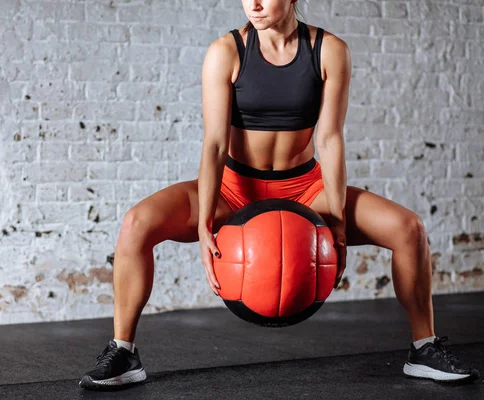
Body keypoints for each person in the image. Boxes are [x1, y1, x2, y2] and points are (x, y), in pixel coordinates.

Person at [79, 0, 479, 390]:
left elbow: (331, 140)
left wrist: (337, 223)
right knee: (137, 223)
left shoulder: (329, 51)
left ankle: (424, 349)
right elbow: (216, 144)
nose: (252, 4)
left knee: (408, 228)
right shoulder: (226, 51)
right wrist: (203, 225)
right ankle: (123, 352)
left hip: (305, 190)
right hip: (234, 191)